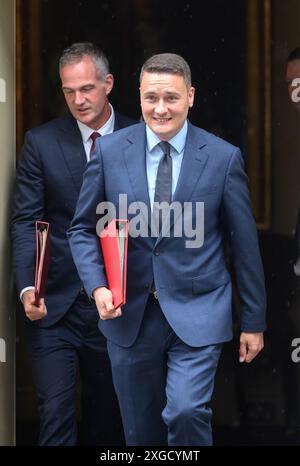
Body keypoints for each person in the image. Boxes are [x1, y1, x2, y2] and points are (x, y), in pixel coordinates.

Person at [68, 53, 266, 446]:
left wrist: (254, 321)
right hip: (129, 315)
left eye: (172, 98)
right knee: (140, 433)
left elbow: (244, 245)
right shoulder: (108, 152)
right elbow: (81, 229)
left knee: (187, 411)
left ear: (190, 96)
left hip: (200, 309)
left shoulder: (223, 158)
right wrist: (98, 287)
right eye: (151, 98)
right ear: (139, 96)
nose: (161, 109)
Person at [10, 42, 136, 446]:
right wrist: (29, 287)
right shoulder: (41, 143)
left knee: (109, 421)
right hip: (56, 305)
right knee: (56, 416)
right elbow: (26, 221)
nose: (78, 100)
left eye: (87, 89)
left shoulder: (141, 138)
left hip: (119, 309)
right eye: (69, 91)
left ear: (108, 84)